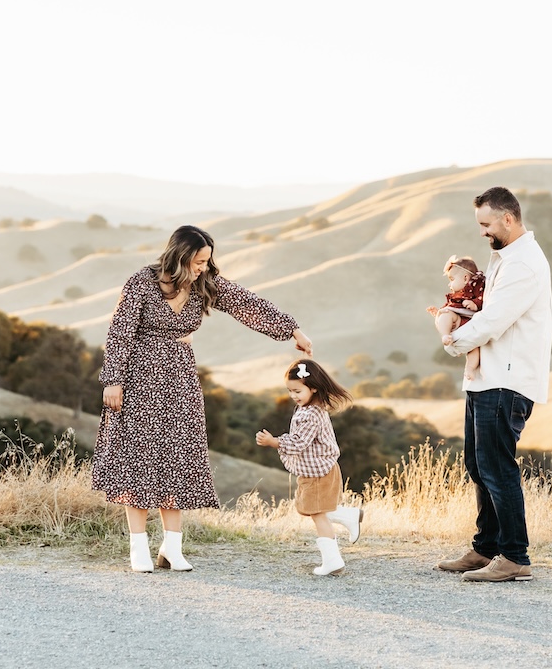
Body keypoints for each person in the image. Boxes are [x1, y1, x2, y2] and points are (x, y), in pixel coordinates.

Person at [92, 224, 313, 573]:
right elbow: (119, 333)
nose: (203, 267)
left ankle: (172, 547)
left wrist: (292, 329)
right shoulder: (141, 282)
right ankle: (138, 547)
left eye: (207, 261)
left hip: (180, 380)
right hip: (139, 380)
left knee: (179, 457)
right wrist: (113, 381)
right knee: (139, 460)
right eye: (198, 261)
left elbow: (247, 303)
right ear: (179, 257)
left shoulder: (205, 283)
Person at [435, 186, 552, 582]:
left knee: (496, 467)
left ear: (508, 218)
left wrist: (453, 341)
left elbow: (493, 320)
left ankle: (514, 556)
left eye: (487, 224)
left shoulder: (523, 265)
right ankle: (486, 548)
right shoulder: (506, 258)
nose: (483, 231)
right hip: (488, 378)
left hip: (507, 379)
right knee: (478, 464)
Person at [256, 359, 363, 576]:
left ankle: (333, 562)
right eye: (290, 391)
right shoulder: (313, 406)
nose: (293, 396)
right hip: (319, 470)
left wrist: (274, 442)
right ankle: (348, 516)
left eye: (297, 391)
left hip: (318, 473)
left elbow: (298, 443)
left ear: (313, 387)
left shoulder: (309, 415)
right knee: (309, 508)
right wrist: (305, 355)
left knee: (317, 513)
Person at [426, 255, 486, 380]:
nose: (449, 284)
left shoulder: (478, 287)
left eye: (452, 279)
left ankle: (469, 369)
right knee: (445, 314)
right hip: (458, 320)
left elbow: (483, 300)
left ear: (465, 278)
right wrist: (438, 312)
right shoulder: (456, 295)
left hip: (470, 323)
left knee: (474, 349)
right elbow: (450, 306)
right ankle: (445, 335)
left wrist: (475, 304)